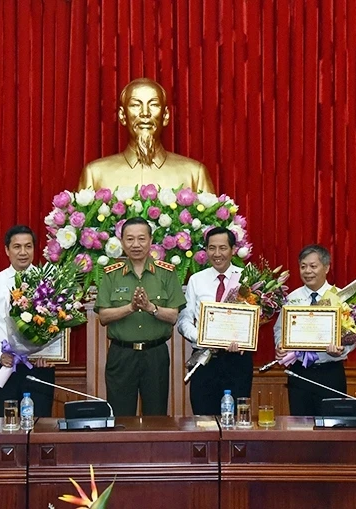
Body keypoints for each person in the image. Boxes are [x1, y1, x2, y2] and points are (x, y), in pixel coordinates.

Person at [95, 217, 186, 416]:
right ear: (122, 242)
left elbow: (173, 316)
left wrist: (150, 307)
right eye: (130, 239)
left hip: (155, 355)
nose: (136, 244)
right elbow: (103, 316)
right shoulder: (111, 274)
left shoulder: (167, 273)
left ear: (151, 240)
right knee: (120, 416)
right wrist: (131, 307)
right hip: (121, 355)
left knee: (156, 415)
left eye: (141, 239)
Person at [78, 78, 215, 193]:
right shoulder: (95, 174)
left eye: (154, 105)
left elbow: (212, 224)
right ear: (122, 115)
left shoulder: (194, 174)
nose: (145, 113)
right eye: (135, 105)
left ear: (165, 115)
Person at [0, 225, 55, 417]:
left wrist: (50, 354)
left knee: (40, 425)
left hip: (39, 366)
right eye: (17, 247)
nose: (23, 252)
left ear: (35, 249)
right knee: (5, 426)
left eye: (28, 246)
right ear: (7, 250)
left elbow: (59, 322)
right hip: (5, 365)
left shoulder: (49, 282)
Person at [274, 244, 356, 416]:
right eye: (303, 266)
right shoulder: (292, 299)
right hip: (299, 373)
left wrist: (341, 350)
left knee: (333, 429)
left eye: (313, 266)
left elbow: (353, 333)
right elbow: (279, 329)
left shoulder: (341, 297)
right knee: (300, 429)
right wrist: (280, 345)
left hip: (330, 372)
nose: (307, 271)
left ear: (326, 267)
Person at [178, 227, 252, 415]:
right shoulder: (196, 280)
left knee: (236, 420)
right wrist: (203, 338)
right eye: (211, 248)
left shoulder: (247, 279)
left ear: (233, 249)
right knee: (203, 420)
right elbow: (184, 320)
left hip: (237, 360)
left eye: (223, 248)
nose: (217, 254)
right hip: (205, 359)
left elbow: (255, 318)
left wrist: (244, 339)